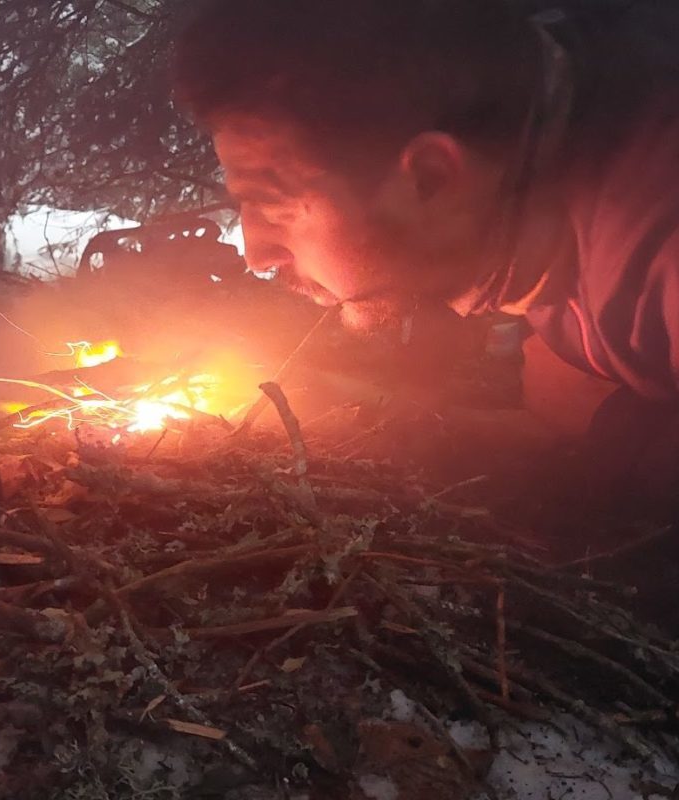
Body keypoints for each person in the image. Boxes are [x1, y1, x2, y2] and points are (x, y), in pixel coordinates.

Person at [175, 0, 679, 505]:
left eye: (271, 202)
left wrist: (612, 429)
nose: (256, 255)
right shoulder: (544, 166)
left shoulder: (658, 229)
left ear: (431, 179)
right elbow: (555, 397)